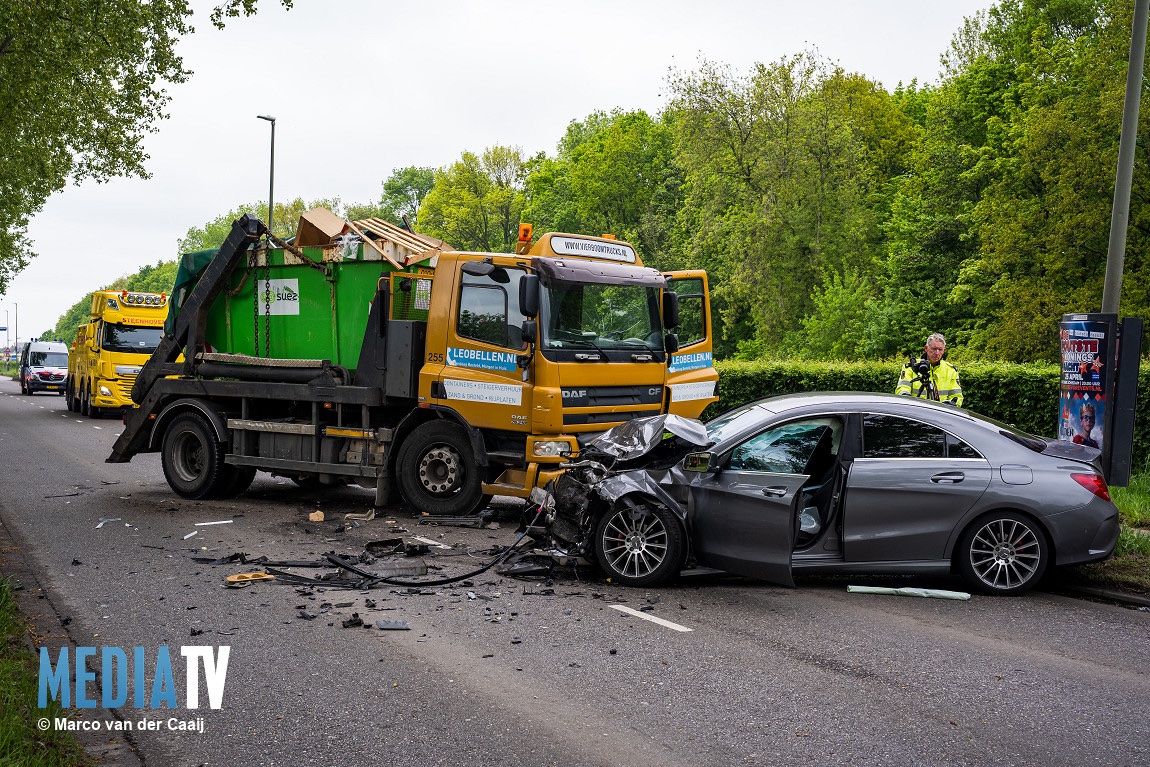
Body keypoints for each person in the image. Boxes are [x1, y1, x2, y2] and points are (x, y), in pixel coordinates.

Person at [895, 333, 963, 406]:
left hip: (941, 413)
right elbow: (902, 388)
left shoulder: (950, 370)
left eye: (940, 349)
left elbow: (957, 396)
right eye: (934, 349)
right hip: (915, 411)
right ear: (926, 348)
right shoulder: (911, 367)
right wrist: (906, 397)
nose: (937, 353)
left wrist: (952, 404)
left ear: (944, 350)